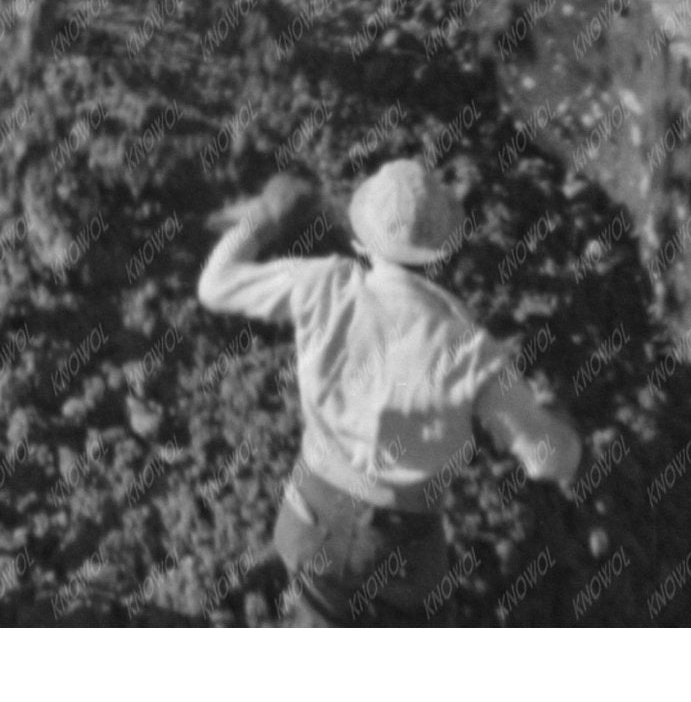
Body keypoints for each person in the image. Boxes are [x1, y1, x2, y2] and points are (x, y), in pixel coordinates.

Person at [196, 154, 583, 626]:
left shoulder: (324, 285)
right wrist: (557, 421)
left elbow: (215, 286)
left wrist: (266, 215)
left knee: (317, 607)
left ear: (360, 239)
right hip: (398, 553)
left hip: (305, 516)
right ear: (448, 249)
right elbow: (549, 461)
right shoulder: (468, 350)